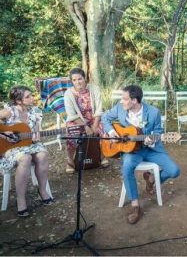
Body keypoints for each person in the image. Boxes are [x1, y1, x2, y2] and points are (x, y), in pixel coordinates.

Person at [102, 85, 180, 224]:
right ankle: (135, 206)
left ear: (134, 100)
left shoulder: (153, 112)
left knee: (174, 171)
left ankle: (152, 179)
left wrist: (152, 139)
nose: (121, 101)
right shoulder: (120, 108)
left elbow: (158, 132)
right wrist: (112, 132)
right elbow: (105, 117)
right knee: (126, 168)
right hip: (132, 151)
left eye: (124, 99)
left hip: (151, 149)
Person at [0, 86, 54, 217]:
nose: (32, 98)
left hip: (29, 144)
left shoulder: (35, 112)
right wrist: (5, 131)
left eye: (31, 95)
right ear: (19, 101)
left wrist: (36, 137)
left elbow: (36, 132)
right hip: (10, 147)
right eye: (28, 96)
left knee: (42, 154)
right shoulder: (9, 111)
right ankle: (21, 200)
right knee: (25, 158)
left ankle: (42, 190)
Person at [64, 67, 108, 173]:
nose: (77, 82)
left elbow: (99, 109)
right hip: (77, 120)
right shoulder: (68, 94)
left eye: (80, 79)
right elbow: (71, 115)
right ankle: (70, 161)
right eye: (74, 80)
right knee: (71, 134)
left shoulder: (94, 89)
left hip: (94, 119)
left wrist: (95, 125)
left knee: (104, 130)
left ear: (85, 78)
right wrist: (85, 126)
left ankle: (103, 156)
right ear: (71, 81)